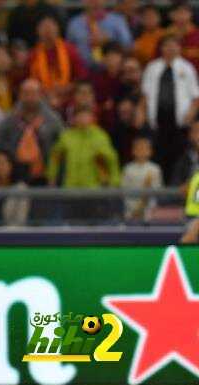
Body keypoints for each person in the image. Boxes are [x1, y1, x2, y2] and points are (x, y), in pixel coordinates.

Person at [142, 34, 199, 181]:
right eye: (167, 45)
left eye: (174, 45)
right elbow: (145, 95)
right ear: (161, 48)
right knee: (159, 156)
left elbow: (196, 96)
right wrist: (145, 115)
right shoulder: (152, 67)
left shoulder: (187, 68)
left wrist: (190, 115)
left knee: (179, 156)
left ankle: (177, 186)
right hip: (158, 121)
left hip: (180, 123)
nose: (170, 48)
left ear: (179, 48)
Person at [47, 106, 120, 188]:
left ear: (91, 117)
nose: (83, 119)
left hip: (94, 187)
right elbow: (55, 157)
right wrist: (51, 177)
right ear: (74, 118)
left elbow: (111, 159)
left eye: (86, 116)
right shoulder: (67, 137)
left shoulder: (100, 136)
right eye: (80, 116)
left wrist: (115, 181)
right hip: (71, 186)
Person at [66, 0, 132, 67]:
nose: (95, 1)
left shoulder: (118, 21)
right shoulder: (74, 24)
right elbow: (68, 50)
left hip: (112, 70)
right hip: (82, 69)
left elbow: (128, 47)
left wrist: (108, 41)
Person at [122, 136, 163, 222]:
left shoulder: (155, 169)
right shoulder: (128, 169)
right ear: (133, 151)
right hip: (131, 213)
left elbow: (157, 191)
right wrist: (135, 210)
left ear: (150, 151)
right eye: (139, 149)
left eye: (145, 149)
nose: (142, 151)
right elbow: (124, 191)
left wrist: (144, 206)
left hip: (150, 213)